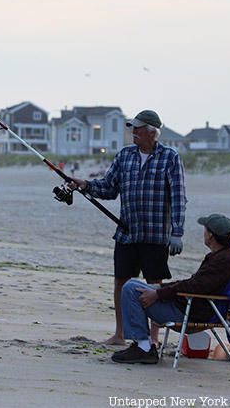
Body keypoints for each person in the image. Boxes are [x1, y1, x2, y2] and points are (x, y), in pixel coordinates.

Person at [67, 109, 186, 346]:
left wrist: (177, 232)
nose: (134, 133)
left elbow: (179, 196)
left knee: (154, 286)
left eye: (139, 129)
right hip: (126, 233)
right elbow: (109, 188)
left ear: (152, 133)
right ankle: (120, 334)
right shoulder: (125, 155)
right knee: (121, 283)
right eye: (133, 128)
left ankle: (153, 337)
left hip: (155, 236)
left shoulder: (170, 157)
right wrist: (85, 185)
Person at [111, 213, 230, 364]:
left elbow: (195, 286)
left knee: (130, 289)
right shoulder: (221, 256)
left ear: (210, 235)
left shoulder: (222, 261)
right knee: (134, 286)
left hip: (190, 312)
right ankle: (142, 345)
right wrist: (159, 287)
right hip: (188, 305)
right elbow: (194, 283)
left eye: (205, 230)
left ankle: (143, 347)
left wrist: (158, 294)